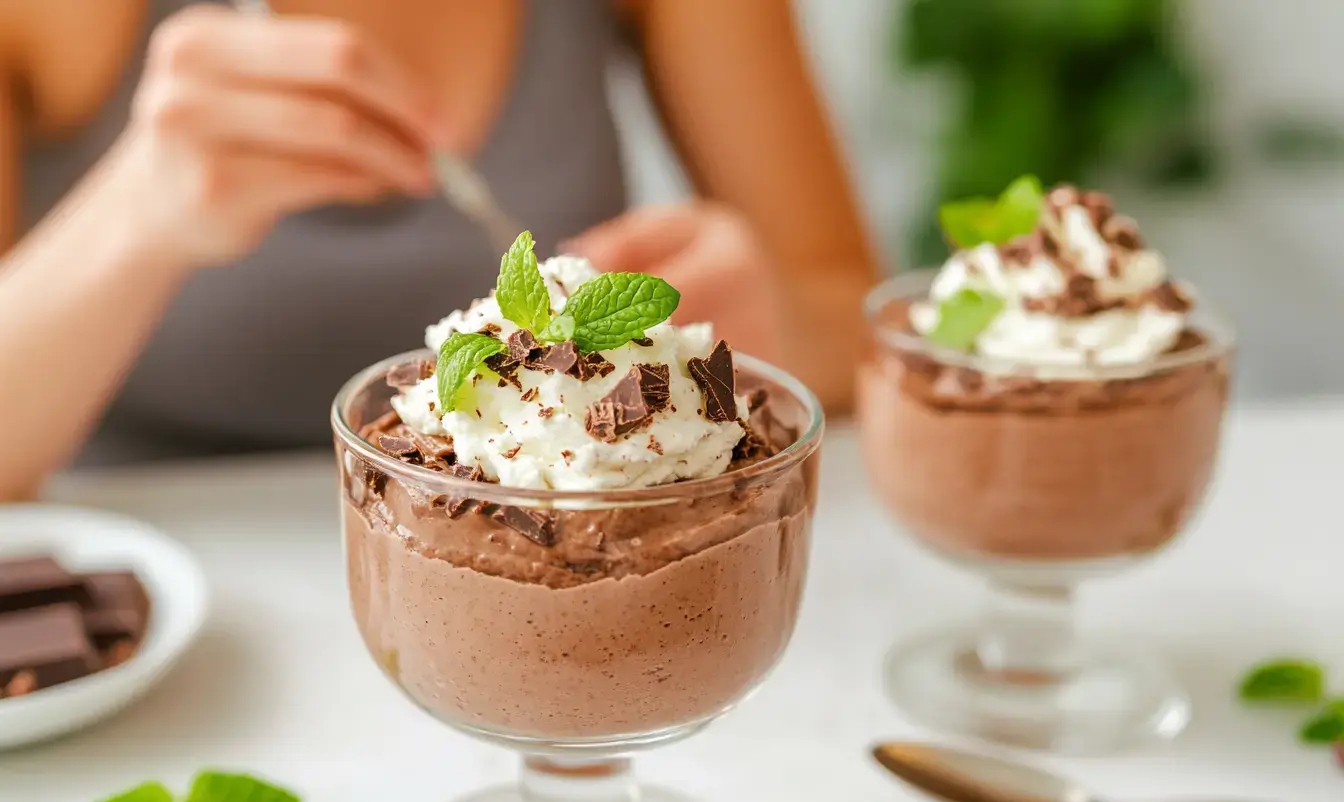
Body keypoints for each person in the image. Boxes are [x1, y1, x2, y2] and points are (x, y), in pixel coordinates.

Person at [0, 0, 877, 501]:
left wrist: (766, 329)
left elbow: (859, 322)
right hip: (173, 608)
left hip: (571, 599)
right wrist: (134, 213)